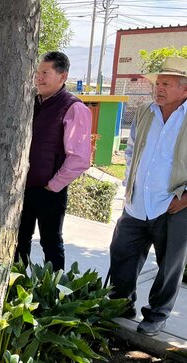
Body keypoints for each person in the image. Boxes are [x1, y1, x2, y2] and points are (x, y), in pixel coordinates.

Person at [108, 57, 187, 336]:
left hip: (175, 204)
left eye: (166, 84)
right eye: (158, 83)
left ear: (184, 89)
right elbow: (130, 151)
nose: (159, 88)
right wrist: (130, 184)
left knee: (170, 265)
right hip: (137, 202)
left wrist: (186, 198)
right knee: (121, 254)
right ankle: (120, 303)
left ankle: (157, 314)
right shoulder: (145, 112)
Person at [14, 51, 92, 272]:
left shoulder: (73, 108)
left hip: (50, 190)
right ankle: (16, 289)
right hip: (23, 188)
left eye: (45, 73)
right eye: (38, 72)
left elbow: (79, 159)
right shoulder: (31, 102)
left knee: (51, 243)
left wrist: (53, 186)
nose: (39, 77)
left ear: (62, 76)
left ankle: (54, 294)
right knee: (19, 240)